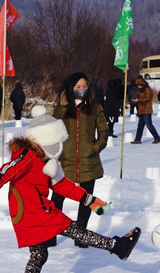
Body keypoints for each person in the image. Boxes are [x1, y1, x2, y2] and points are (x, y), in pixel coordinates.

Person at [0, 105, 140, 273]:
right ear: (42, 140)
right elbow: (6, 170)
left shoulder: (47, 161)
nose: (57, 146)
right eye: (54, 141)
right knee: (73, 230)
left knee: (39, 255)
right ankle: (118, 247)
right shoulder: (27, 156)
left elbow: (62, 185)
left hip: (28, 213)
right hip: (34, 211)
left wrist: (90, 200)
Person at [52, 72, 109, 248]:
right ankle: (51, 234)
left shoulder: (95, 107)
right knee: (56, 200)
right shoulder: (61, 108)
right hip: (65, 162)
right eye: (78, 87)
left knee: (86, 200)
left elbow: (104, 131)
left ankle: (81, 235)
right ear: (71, 88)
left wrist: (95, 147)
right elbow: (52, 130)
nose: (82, 90)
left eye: (85, 86)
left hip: (88, 161)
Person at [131, 77, 160, 144]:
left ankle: (157, 137)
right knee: (140, 126)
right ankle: (137, 139)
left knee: (149, 125)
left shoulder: (148, 89)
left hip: (147, 110)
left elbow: (147, 98)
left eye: (139, 85)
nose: (138, 87)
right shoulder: (141, 90)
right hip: (141, 110)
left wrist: (138, 100)